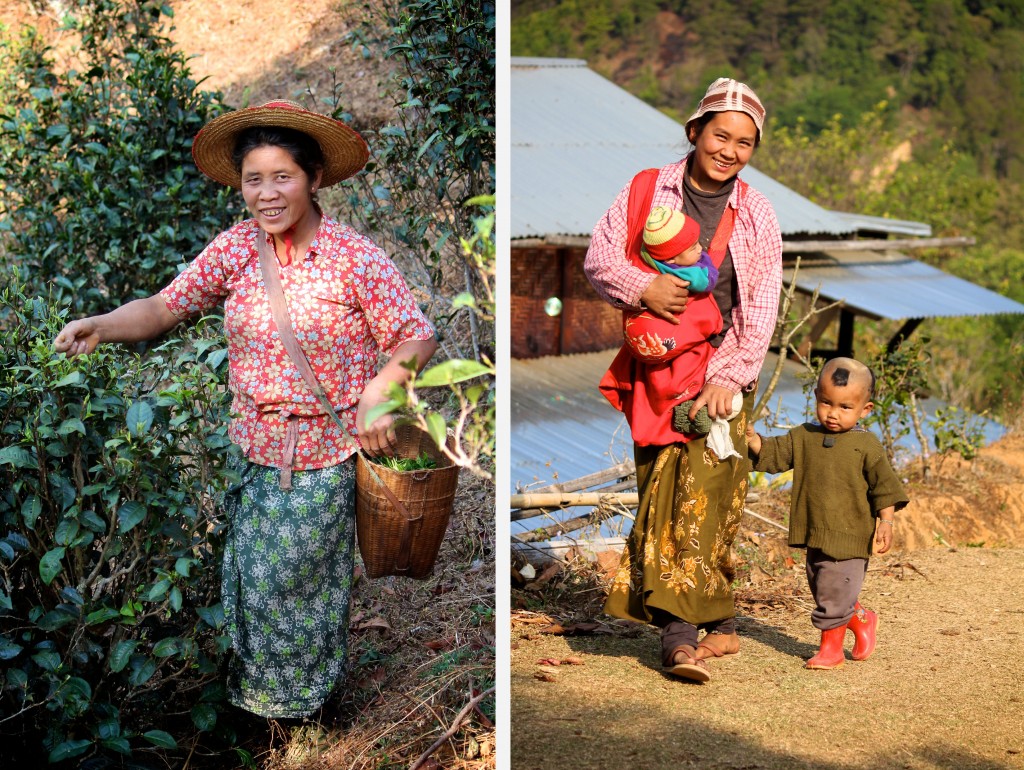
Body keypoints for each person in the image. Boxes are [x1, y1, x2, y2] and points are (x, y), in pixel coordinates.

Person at [53, 100, 438, 718]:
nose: (266, 194)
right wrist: (102, 324)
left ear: (313, 179)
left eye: (281, 176)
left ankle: (297, 711)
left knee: (289, 583)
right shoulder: (236, 249)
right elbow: (164, 306)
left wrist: (381, 390)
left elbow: (415, 334)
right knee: (251, 584)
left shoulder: (353, 257)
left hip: (325, 455)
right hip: (252, 452)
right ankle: (271, 707)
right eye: (252, 179)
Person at [585, 77, 783, 682]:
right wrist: (643, 286)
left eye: (744, 143)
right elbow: (598, 258)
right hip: (658, 370)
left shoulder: (756, 211)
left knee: (710, 493)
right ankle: (699, 627)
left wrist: (730, 376)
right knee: (663, 489)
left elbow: (763, 303)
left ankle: (690, 632)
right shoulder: (648, 188)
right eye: (720, 135)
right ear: (695, 131)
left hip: (720, 370)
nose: (730, 150)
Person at [745, 357, 909, 669]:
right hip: (815, 531)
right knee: (825, 588)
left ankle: (831, 651)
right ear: (817, 397)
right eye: (825, 403)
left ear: (865, 409)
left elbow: (884, 487)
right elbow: (775, 455)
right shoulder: (804, 436)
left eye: (845, 407)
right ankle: (860, 618)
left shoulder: (866, 445)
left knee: (833, 593)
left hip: (851, 534)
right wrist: (754, 441)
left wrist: (885, 521)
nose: (832, 414)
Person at [620, 206, 721, 365]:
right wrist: (706, 261)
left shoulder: (648, 255)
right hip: (679, 343)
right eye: (693, 247)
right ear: (670, 259)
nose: (701, 249)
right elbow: (707, 281)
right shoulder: (686, 274)